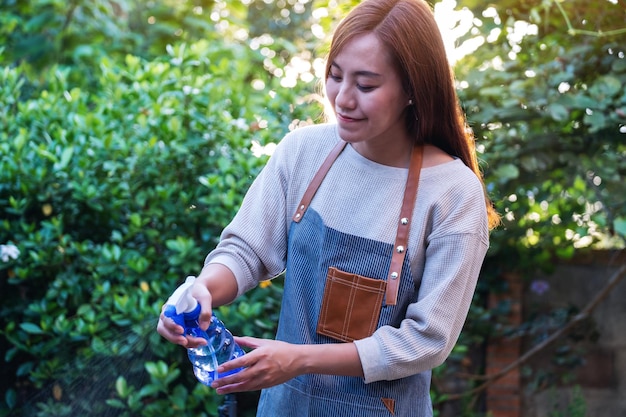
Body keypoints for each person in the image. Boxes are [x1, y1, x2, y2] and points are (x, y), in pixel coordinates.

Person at [157, 0, 500, 415]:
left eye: (367, 85)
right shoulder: (302, 152)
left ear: (413, 89)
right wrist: (203, 290)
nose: (343, 98)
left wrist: (298, 359)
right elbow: (246, 251)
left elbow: (425, 340)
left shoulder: (452, 192)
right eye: (335, 76)